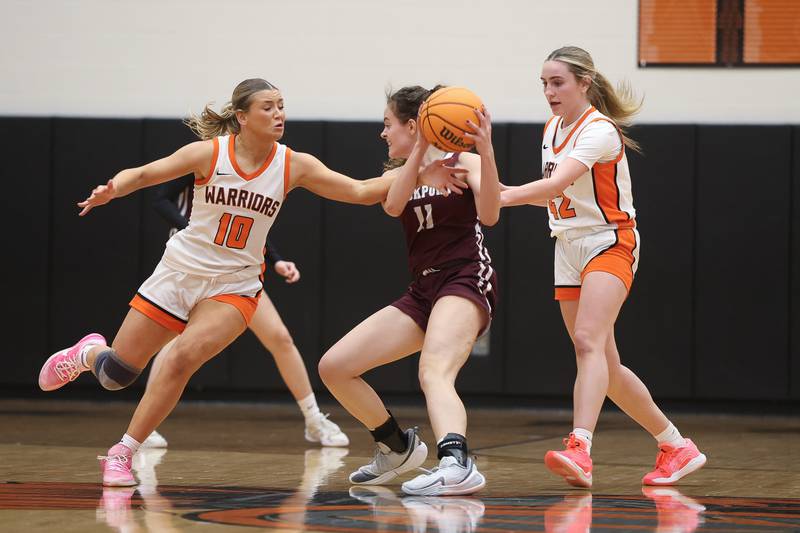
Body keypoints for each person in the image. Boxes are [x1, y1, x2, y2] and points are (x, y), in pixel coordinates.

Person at [37, 78, 460, 487]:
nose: (279, 114)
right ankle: (89, 353)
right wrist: (114, 188)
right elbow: (147, 174)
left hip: (235, 285)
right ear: (242, 116)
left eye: (282, 106)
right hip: (180, 271)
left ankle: (122, 453)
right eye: (268, 107)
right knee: (117, 374)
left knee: (182, 358)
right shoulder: (209, 154)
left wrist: (418, 170)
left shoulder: (293, 164)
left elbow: (360, 190)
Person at [501, 46, 706, 488]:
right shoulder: (552, 128)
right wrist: (503, 191)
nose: (549, 91)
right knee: (606, 368)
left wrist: (502, 195)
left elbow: (555, 182)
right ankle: (676, 445)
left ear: (583, 83)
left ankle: (580, 447)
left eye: (558, 82)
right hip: (567, 246)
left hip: (609, 241)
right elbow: (554, 195)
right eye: (544, 83)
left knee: (586, 340)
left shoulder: (600, 130)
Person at [318, 85, 501, 496]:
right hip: (423, 289)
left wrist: (486, 152)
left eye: (388, 124)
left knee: (434, 370)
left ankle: (456, 463)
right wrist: (420, 151)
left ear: (413, 124)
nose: (383, 133)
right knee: (334, 367)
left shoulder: (466, 162)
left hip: (465, 277)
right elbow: (393, 205)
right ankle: (396, 448)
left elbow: (490, 215)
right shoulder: (400, 175)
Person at [140, 174, 348, 448]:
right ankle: (145, 427)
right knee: (173, 344)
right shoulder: (201, 160)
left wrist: (276, 260)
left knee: (280, 337)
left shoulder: (252, 174)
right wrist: (193, 231)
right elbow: (159, 198)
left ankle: (314, 419)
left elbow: (252, 226)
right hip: (193, 267)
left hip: (236, 274)